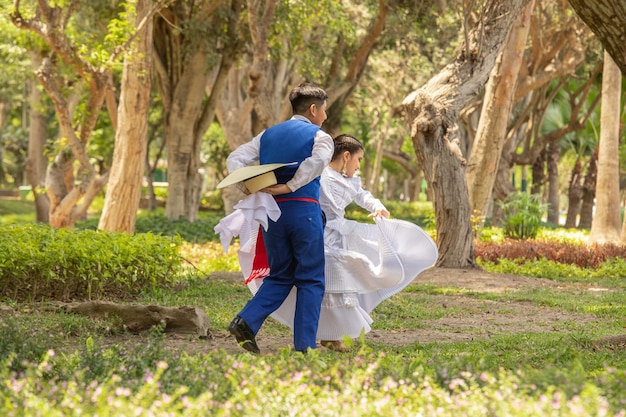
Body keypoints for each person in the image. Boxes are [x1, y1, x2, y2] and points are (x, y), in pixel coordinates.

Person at [252, 134, 438, 351]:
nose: (359, 166)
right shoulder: (319, 174)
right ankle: (318, 335)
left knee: (340, 282)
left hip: (341, 235)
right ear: (346, 156)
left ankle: (332, 336)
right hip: (316, 234)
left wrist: (376, 206)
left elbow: (363, 195)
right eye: (358, 159)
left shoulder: (352, 181)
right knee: (325, 284)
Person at [225, 82, 333, 354]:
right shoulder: (321, 136)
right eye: (324, 110)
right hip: (303, 211)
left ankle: (245, 320)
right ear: (313, 109)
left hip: (271, 214)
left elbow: (234, 159)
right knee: (311, 279)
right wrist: (291, 185)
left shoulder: (267, 135)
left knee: (280, 275)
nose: (325, 116)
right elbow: (317, 163)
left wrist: (249, 186)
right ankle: (305, 347)